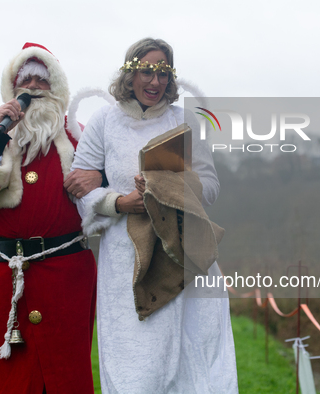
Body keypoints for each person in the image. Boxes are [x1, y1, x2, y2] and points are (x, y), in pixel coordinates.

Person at [67, 38, 238, 393]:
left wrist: (169, 187)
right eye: (146, 71)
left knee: (198, 356)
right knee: (135, 361)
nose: (154, 82)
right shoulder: (103, 122)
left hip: (186, 250)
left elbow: (210, 186)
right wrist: (119, 202)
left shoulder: (184, 120)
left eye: (162, 73)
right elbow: (80, 189)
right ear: (130, 75)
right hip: (126, 255)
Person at [0, 43, 100, 393]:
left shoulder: (81, 137)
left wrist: (99, 179)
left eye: (42, 80)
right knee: (5, 377)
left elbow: (106, 197)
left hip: (66, 279)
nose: (33, 87)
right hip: (4, 279)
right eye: (25, 79)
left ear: (57, 88)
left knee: (64, 376)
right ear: (11, 88)